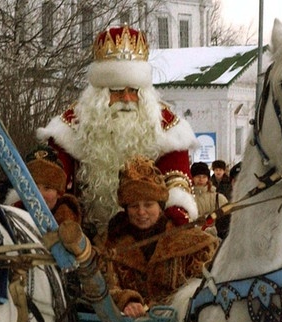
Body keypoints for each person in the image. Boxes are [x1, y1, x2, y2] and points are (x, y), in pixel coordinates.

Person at [37, 25, 198, 240]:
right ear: (99, 94)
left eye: (134, 91)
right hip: (82, 239)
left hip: (148, 238)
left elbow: (178, 182)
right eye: (117, 91)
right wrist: (64, 214)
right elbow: (52, 179)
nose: (127, 99)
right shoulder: (70, 126)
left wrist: (172, 222)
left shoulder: (167, 127)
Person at [98, 156, 218, 317]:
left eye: (148, 205)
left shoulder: (193, 243)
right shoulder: (111, 243)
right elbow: (102, 284)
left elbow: (205, 285)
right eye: (134, 206)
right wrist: (126, 300)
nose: (141, 212)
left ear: (161, 206)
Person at [22, 143, 82, 224]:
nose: (39, 195)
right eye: (34, 187)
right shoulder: (13, 212)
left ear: (59, 193)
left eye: (47, 188)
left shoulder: (68, 224)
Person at [190, 161, 229, 238]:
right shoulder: (186, 198)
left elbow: (227, 219)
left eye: (204, 177)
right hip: (192, 239)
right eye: (198, 176)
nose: (201, 179)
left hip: (216, 239)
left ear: (208, 178)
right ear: (193, 178)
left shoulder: (218, 198)